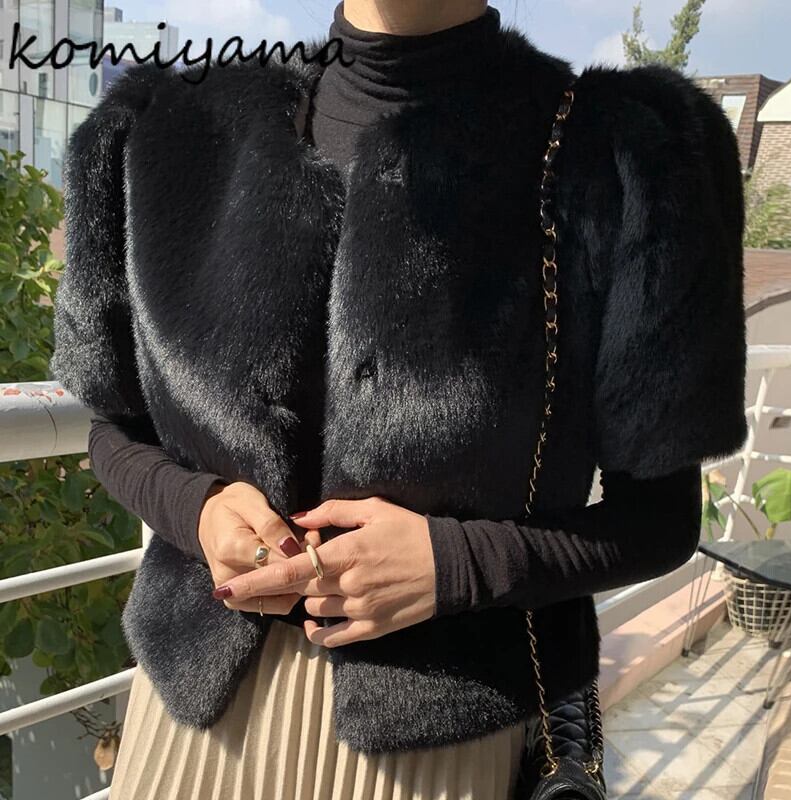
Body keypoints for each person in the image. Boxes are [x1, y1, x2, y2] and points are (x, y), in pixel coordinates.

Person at [48, 1, 748, 797]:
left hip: (443, 741)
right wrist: (196, 510)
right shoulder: (159, 133)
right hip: (190, 729)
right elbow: (113, 430)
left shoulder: (628, 157)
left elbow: (660, 521)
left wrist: (456, 564)